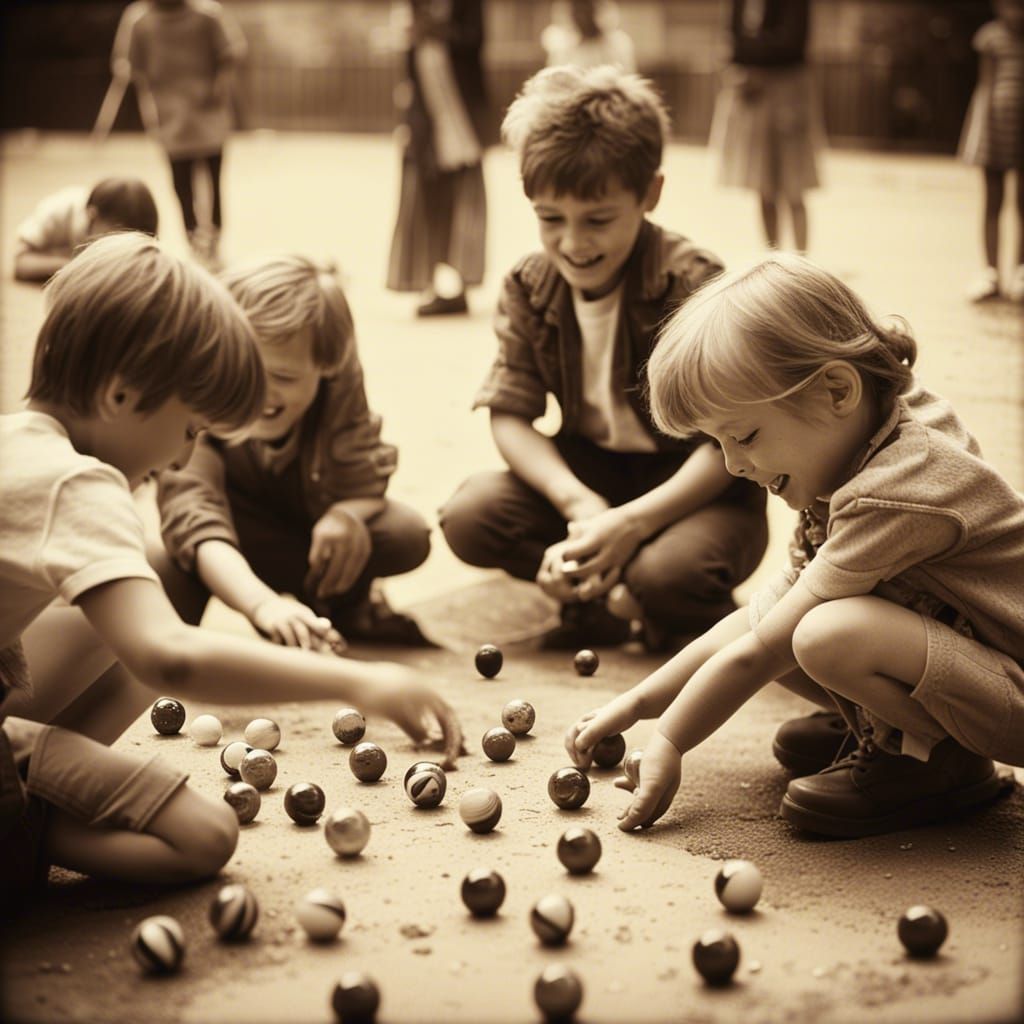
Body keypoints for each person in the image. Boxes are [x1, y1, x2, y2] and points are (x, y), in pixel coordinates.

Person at [0, 233, 462, 914]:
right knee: (205, 836)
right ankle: (19, 824)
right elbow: (171, 658)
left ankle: (35, 786)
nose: (184, 451)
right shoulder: (80, 485)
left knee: (125, 612)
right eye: (190, 428)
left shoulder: (16, 441)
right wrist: (362, 680)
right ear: (122, 395)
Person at [565, 252, 1023, 839]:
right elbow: (761, 618)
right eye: (718, 442)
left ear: (836, 389)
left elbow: (765, 648)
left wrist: (670, 740)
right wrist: (636, 702)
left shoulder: (896, 489)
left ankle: (936, 760)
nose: (733, 464)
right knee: (789, 617)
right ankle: (881, 721)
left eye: (746, 436)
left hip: (1012, 695)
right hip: (980, 668)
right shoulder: (860, 438)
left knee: (819, 636)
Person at [440, 66, 768, 652]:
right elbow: (509, 414)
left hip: (699, 488)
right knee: (472, 514)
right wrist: (580, 505)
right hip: (593, 475)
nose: (572, 243)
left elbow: (731, 444)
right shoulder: (530, 284)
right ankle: (612, 597)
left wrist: (633, 523)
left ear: (650, 194)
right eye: (550, 219)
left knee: (668, 575)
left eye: (597, 220)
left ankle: (657, 601)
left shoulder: (692, 283)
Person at [154, 254, 436, 649]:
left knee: (403, 534)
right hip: (227, 544)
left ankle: (338, 604)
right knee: (164, 567)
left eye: (284, 377)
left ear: (327, 370)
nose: (260, 392)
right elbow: (193, 519)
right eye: (246, 370)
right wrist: (264, 606)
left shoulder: (339, 384)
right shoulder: (196, 406)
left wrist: (345, 515)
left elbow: (361, 471)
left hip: (296, 534)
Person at [97, 0, 246, 268]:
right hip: (168, 115)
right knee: (181, 183)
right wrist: (130, 71)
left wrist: (220, 87)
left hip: (207, 111)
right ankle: (193, 239)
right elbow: (127, 64)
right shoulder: (139, 20)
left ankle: (213, 237)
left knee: (213, 178)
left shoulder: (207, 15)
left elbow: (231, 52)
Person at [386, 0, 493, 316]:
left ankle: (461, 283)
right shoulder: (414, 13)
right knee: (426, 203)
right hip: (426, 126)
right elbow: (410, 79)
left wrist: (435, 29)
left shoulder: (465, 11)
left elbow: (472, 43)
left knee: (465, 202)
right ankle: (431, 283)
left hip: (462, 123)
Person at [709, 0, 821, 252]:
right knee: (763, 186)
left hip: (788, 95)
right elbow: (732, 41)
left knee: (794, 186)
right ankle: (773, 258)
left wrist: (751, 56)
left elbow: (791, 44)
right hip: (753, 97)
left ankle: (802, 260)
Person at [959, 0, 1024, 302]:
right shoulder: (991, 38)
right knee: (993, 202)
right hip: (996, 131)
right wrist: (979, 133)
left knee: (1022, 203)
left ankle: (1022, 270)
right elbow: (985, 87)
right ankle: (991, 271)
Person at [13, 177, 158, 283]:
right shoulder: (59, 209)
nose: (119, 251)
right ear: (92, 216)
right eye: (115, 240)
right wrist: (77, 266)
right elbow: (21, 263)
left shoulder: (139, 220)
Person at [541, 0, 637, 72]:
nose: (583, 17)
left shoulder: (618, 44)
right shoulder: (561, 44)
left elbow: (626, 77)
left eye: (587, 10)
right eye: (578, 11)